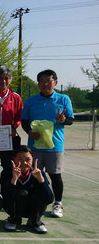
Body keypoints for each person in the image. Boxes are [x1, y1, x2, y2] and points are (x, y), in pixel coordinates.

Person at [21, 69, 74, 218]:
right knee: (32, 175)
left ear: (55, 82)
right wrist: (30, 133)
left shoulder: (64, 99)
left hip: (55, 146)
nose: (45, 84)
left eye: (49, 81)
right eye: (42, 81)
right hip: (35, 146)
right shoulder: (31, 101)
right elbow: (24, 121)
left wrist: (63, 120)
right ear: (38, 84)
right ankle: (31, 202)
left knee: (55, 175)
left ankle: (57, 203)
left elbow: (70, 120)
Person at [0, 146, 53, 234]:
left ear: (32, 159)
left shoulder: (39, 173)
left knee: (40, 193)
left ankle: (34, 221)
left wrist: (41, 180)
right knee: (22, 193)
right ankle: (14, 219)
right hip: (14, 206)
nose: (24, 163)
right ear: (14, 159)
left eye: (28, 159)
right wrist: (14, 179)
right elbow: (6, 197)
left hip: (33, 208)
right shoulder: (7, 173)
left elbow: (49, 199)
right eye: (20, 159)